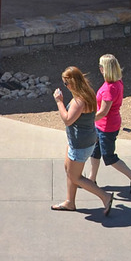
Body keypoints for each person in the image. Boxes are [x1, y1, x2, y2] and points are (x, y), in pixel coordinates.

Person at [51, 66, 113, 215]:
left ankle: (105, 197)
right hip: (80, 141)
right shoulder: (87, 92)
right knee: (69, 170)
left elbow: (67, 120)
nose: (65, 87)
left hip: (81, 144)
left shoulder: (79, 100)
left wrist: (59, 101)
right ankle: (70, 202)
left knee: (75, 177)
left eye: (66, 84)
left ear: (72, 82)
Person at [91, 54, 131, 194]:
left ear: (104, 69)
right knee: (94, 151)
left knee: (109, 157)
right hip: (102, 125)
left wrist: (87, 120)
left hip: (106, 127)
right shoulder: (116, 82)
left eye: (101, 66)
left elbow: (103, 112)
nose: (99, 68)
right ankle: (92, 179)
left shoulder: (109, 89)